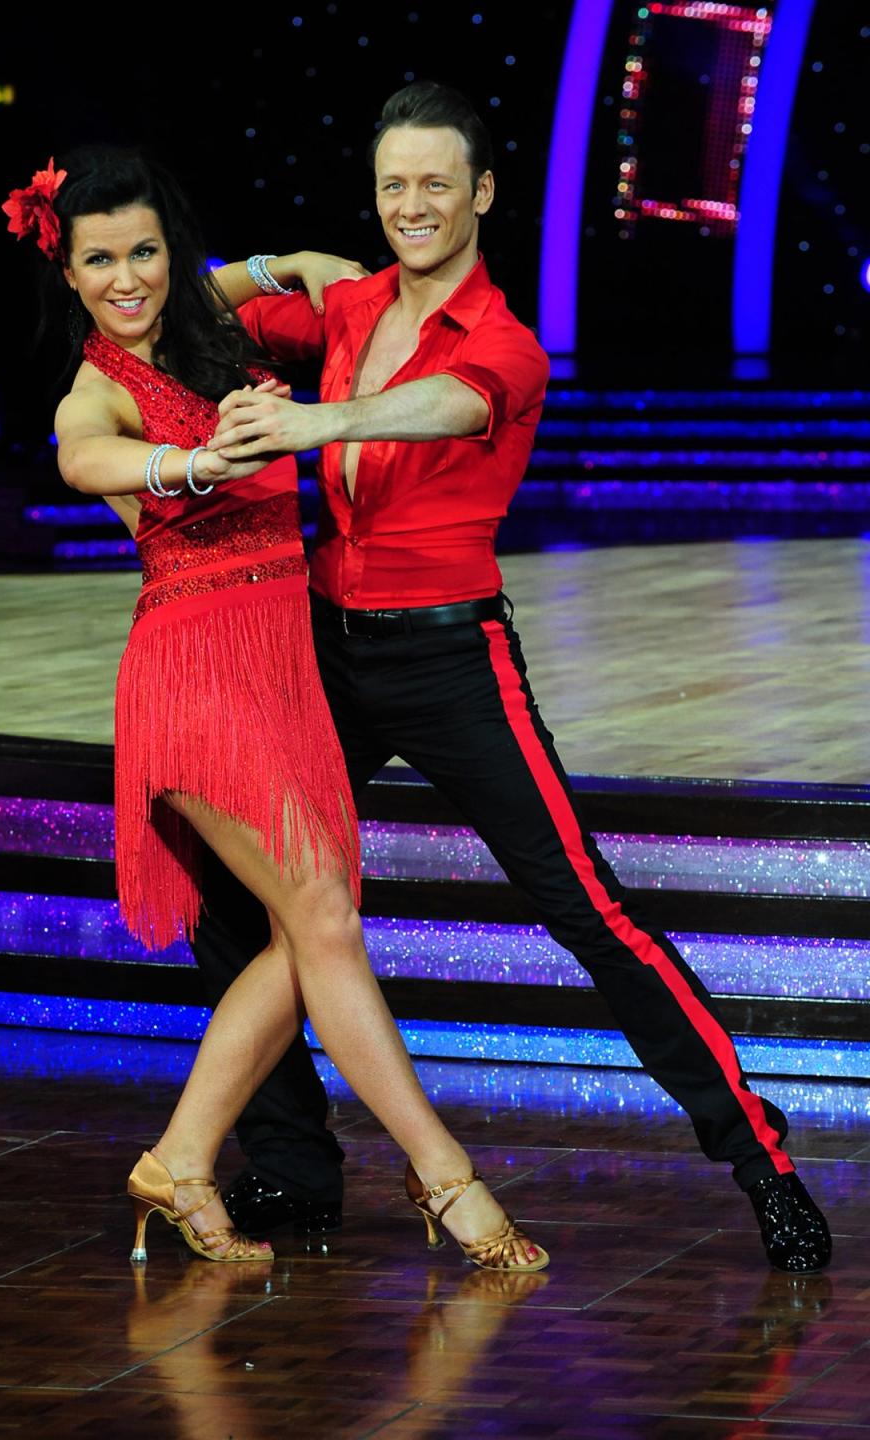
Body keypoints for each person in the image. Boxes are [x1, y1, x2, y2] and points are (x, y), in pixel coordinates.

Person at [192, 82, 832, 1274]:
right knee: (232, 898)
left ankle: (760, 1158)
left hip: (450, 657)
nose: (413, 205)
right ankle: (294, 1164)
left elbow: (442, 409)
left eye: (437, 182)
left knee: (586, 908)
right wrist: (279, 264)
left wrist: (314, 421)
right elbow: (192, 305)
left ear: (483, 193)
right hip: (325, 653)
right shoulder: (346, 302)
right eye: (394, 185)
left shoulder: (504, 344)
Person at [3, 145, 549, 1272]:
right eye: (99, 261)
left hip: (281, 663)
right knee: (326, 920)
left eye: (144, 251)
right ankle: (449, 1181)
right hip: (195, 677)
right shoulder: (97, 389)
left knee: (314, 928)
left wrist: (288, 259)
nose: (127, 279)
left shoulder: (204, 322)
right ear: (67, 274)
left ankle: (182, 1158)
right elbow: (82, 460)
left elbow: (241, 280)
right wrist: (192, 463)